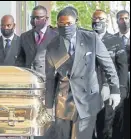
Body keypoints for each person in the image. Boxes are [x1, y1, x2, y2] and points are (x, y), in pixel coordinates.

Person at [45, 8, 120, 139]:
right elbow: (50, 78)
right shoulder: (52, 46)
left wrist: (115, 90)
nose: (65, 27)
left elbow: (108, 65)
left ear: (76, 22)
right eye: (61, 24)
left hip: (87, 100)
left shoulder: (91, 38)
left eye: (69, 23)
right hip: (63, 102)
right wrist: (48, 105)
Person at [91, 9, 128, 139]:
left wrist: (121, 89)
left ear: (106, 21)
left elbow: (122, 67)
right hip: (88, 91)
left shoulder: (115, 41)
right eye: (94, 18)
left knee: (106, 125)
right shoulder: (86, 39)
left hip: (108, 89)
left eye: (100, 19)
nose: (96, 21)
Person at [16, 5, 58, 78]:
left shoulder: (55, 36)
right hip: (28, 79)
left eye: (38, 18)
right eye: (32, 18)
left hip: (48, 80)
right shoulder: (24, 36)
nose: (35, 20)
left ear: (46, 19)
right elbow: (20, 59)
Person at [114, 10, 130, 139]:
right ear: (117, 21)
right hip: (118, 82)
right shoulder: (112, 39)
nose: (124, 21)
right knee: (119, 113)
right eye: (121, 18)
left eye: (126, 18)